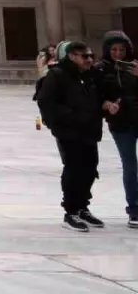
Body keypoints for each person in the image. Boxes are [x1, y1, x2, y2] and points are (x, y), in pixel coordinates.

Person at [38, 40, 106, 232]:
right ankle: (70, 211)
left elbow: (100, 95)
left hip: (89, 131)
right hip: (69, 131)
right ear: (72, 56)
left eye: (91, 56)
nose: (89, 60)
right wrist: (70, 118)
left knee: (90, 168)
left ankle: (83, 206)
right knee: (74, 169)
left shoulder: (91, 75)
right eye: (85, 56)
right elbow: (46, 102)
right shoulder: (57, 75)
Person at [97, 31, 138, 228]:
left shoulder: (135, 66)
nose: (118, 54)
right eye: (114, 50)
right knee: (130, 166)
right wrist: (107, 105)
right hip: (121, 124)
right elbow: (94, 96)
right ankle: (134, 209)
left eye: (122, 49)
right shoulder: (100, 70)